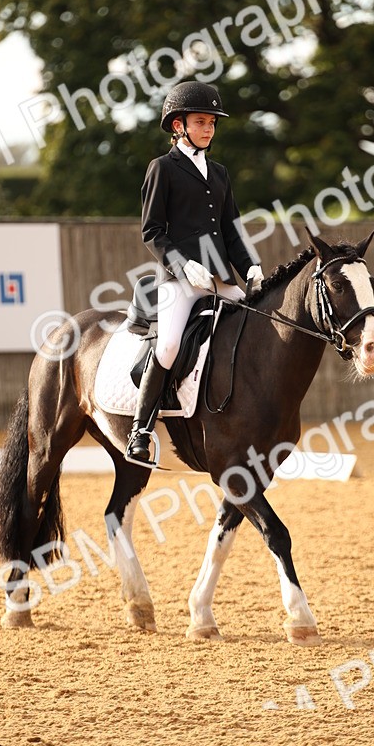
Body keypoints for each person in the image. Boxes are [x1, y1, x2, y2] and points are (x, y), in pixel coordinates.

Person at [125, 80, 263, 464]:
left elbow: (232, 229)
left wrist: (250, 266)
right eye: (201, 122)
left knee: (259, 326)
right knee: (168, 345)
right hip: (179, 281)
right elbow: (152, 231)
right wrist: (184, 266)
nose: (208, 130)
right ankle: (141, 429)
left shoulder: (219, 173)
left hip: (221, 280)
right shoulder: (162, 169)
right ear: (178, 126)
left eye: (212, 124)